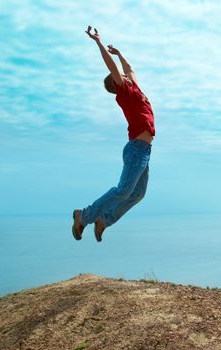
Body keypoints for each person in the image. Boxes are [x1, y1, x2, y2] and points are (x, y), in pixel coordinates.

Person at [72, 25, 156, 242]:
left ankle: (104, 220)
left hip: (144, 150)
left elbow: (130, 68)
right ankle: (84, 216)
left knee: (137, 194)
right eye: (118, 75)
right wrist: (99, 42)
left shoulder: (135, 89)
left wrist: (119, 53)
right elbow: (113, 68)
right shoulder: (125, 93)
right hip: (137, 149)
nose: (123, 74)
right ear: (116, 83)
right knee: (123, 191)